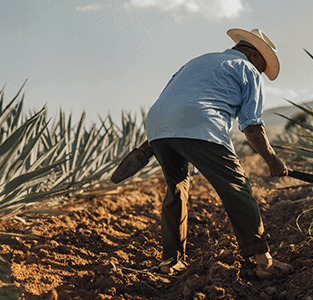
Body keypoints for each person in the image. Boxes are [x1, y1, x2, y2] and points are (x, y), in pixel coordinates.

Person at [110, 28, 294, 279]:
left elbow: (174, 101)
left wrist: (151, 143)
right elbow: (251, 126)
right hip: (202, 124)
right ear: (253, 54)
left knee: (176, 189)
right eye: (262, 65)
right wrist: (273, 160)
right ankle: (263, 262)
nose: (261, 71)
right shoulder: (247, 70)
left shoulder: (197, 61)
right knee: (236, 188)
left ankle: (170, 260)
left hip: (157, 127)